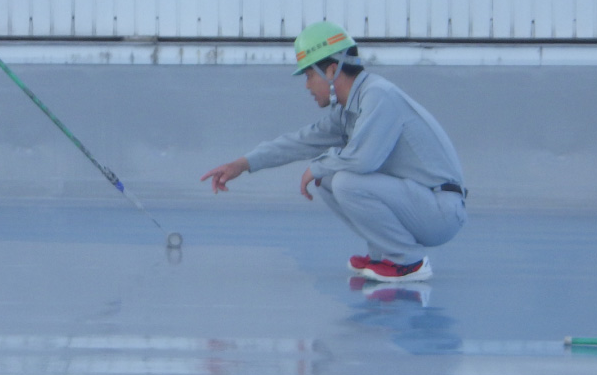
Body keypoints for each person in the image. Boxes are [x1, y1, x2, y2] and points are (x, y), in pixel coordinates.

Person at [200, 21, 467, 282]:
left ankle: (407, 261)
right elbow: (300, 141)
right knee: (328, 179)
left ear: (331, 70)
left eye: (308, 75)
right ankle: (382, 253)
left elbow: (364, 159)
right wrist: (242, 164)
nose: (306, 85)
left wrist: (316, 166)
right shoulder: (350, 107)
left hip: (441, 211)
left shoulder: (378, 96)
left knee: (345, 179)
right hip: (421, 204)